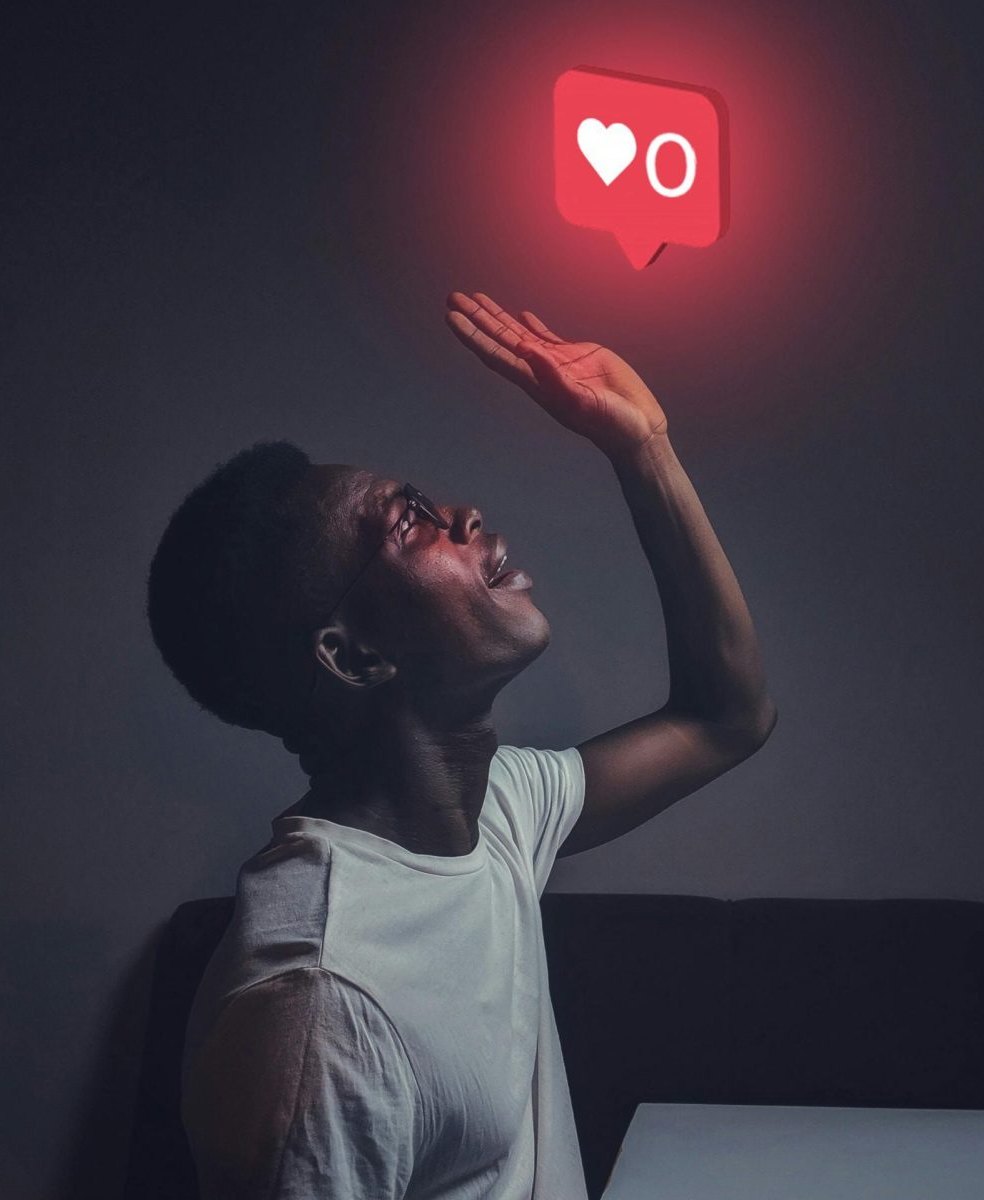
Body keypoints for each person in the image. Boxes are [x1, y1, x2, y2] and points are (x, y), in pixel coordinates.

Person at [146, 290, 777, 1199]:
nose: (465, 515)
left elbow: (727, 717)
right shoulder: (321, 1009)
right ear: (353, 656)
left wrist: (643, 448)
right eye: (409, 523)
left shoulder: (494, 812)